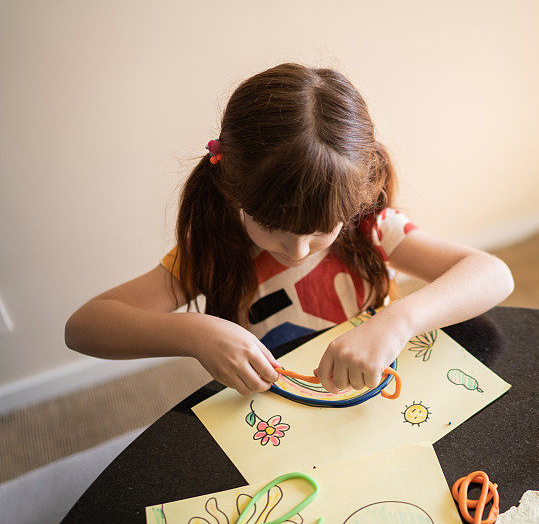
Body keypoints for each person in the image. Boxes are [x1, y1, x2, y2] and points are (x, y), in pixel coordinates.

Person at [65, 63, 514, 396]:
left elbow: (493, 274)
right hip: (277, 410)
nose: (297, 250)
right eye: (272, 227)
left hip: (376, 393)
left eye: (321, 230)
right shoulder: (214, 249)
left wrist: (395, 324)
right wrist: (195, 333)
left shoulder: (372, 229)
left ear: (354, 202)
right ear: (233, 191)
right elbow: (85, 326)